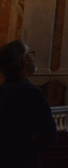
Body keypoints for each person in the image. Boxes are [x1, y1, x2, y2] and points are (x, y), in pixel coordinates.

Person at [0, 40, 57, 168]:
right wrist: (28, 144)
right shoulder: (32, 93)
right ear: (25, 60)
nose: (33, 58)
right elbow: (50, 134)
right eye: (31, 53)